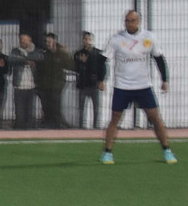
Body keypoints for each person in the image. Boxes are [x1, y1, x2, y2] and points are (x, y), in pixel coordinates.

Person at [100, 10, 176, 164]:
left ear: (139, 21)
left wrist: (164, 80)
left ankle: (167, 150)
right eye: (127, 20)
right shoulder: (116, 39)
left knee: (155, 118)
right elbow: (103, 59)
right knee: (115, 119)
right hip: (122, 86)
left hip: (143, 86)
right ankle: (107, 152)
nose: (129, 23)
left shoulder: (149, 37)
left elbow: (159, 58)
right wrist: (102, 79)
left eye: (132, 20)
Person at [37, 33, 73, 129]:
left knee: (56, 107)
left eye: (49, 41)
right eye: (46, 41)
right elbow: (39, 70)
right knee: (46, 107)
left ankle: (58, 126)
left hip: (56, 86)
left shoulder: (61, 54)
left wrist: (66, 54)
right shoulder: (45, 54)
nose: (47, 43)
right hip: (45, 86)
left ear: (54, 41)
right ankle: (48, 124)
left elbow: (70, 66)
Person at [72, 31, 107, 129]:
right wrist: (81, 62)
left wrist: (101, 81)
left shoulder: (98, 54)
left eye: (89, 39)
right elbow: (75, 68)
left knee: (96, 108)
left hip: (94, 84)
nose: (87, 41)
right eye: (85, 39)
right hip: (83, 84)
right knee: (81, 108)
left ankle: (95, 126)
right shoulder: (78, 54)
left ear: (92, 41)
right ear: (83, 40)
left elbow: (103, 69)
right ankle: (81, 126)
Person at [8, 33, 42, 129]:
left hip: (31, 86)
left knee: (30, 111)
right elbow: (11, 59)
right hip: (19, 86)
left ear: (29, 40)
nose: (22, 41)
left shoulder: (35, 51)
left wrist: (24, 58)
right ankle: (19, 130)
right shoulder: (15, 51)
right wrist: (25, 61)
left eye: (24, 39)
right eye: (21, 39)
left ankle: (29, 130)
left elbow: (40, 57)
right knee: (19, 112)